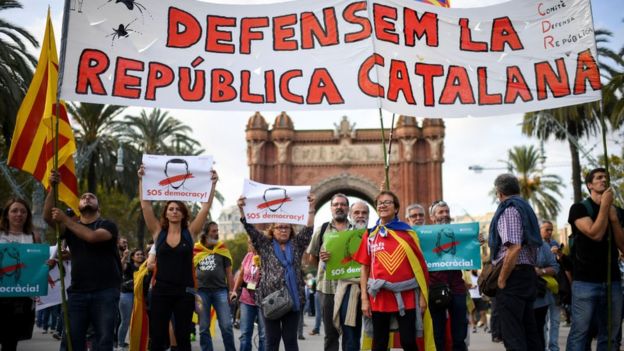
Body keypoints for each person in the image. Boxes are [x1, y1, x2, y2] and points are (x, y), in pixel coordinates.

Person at [138, 165, 218, 351]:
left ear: (183, 213)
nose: (174, 211)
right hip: (161, 291)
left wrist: (212, 184)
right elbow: (145, 205)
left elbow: (205, 207)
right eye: (171, 208)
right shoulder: (158, 233)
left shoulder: (191, 233)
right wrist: (142, 180)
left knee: (183, 337)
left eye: (178, 209)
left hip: (184, 292)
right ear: (165, 213)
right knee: (157, 337)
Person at [43, 171, 122, 351]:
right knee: (71, 341)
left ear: (98, 207)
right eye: (84, 197)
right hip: (77, 293)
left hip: (105, 292)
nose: (87, 198)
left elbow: (93, 237)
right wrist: (52, 189)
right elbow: (48, 217)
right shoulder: (71, 227)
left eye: (91, 197)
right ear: (78, 206)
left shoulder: (107, 225)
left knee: (102, 341)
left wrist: (66, 220)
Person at [355, 190, 435, 351]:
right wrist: (364, 298)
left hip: (407, 296)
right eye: (380, 203)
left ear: (396, 208)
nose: (383, 205)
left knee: (408, 342)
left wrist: (423, 298)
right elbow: (364, 268)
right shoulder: (370, 235)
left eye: (387, 202)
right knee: (379, 344)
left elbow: (420, 266)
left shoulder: (407, 233)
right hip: (379, 296)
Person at [238, 194, 315, 351]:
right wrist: (242, 209)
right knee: (271, 341)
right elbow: (250, 229)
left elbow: (308, 230)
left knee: (290, 340)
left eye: (286, 227)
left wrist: (311, 209)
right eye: (280, 227)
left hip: (293, 299)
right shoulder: (265, 245)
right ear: (273, 230)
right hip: (270, 300)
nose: (283, 230)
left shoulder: (297, 245)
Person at [566, 168, 624, 351]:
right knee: (580, 333)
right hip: (585, 282)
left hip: (612, 281)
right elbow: (595, 233)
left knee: (611, 335)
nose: (604, 180)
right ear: (589, 185)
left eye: (606, 177)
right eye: (599, 178)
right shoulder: (579, 209)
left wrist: (614, 220)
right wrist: (605, 206)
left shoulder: (618, 212)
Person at [488, 173, 542, 351]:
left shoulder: (509, 209)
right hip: (526, 274)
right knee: (529, 331)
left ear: (499, 192)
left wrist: (502, 279)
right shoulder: (526, 208)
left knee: (513, 334)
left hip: (514, 276)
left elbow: (514, 247)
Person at [306, 193, 351, 348]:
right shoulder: (322, 230)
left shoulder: (356, 231)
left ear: (348, 208)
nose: (339, 207)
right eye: (336, 204)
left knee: (350, 334)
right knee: (330, 335)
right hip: (327, 289)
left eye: (343, 204)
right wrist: (321, 257)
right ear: (331, 208)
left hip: (351, 288)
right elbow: (310, 259)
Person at [0, 198, 41, 351]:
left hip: (20, 299)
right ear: (6, 214)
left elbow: (37, 266)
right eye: (14, 210)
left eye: (23, 211)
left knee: (10, 342)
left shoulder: (33, 237)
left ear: (28, 215)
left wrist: (46, 265)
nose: (19, 214)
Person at [427, 200, 468, 351]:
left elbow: (469, 264)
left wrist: (475, 245)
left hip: (457, 288)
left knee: (459, 334)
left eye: (447, 212)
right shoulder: (425, 236)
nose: (445, 215)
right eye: (441, 212)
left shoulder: (459, 234)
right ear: (432, 217)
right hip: (435, 289)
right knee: (438, 333)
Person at [332, 201, 369, 351]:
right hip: (349, 289)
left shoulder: (376, 234)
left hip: (373, 288)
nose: (360, 216)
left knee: (378, 334)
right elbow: (330, 266)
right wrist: (326, 257)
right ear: (350, 215)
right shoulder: (341, 238)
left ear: (369, 215)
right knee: (350, 336)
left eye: (364, 213)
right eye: (357, 213)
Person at [194, 221, 236, 351]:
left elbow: (229, 273)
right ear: (206, 233)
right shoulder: (196, 250)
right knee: (203, 327)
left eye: (217, 230)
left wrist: (232, 291)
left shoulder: (222, 248)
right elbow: (190, 272)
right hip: (201, 292)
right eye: (213, 231)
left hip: (220, 291)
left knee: (226, 326)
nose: (217, 233)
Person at [233, 239, 265, 351]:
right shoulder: (248, 256)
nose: (251, 244)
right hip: (246, 299)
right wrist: (234, 290)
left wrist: (263, 271)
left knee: (264, 335)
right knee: (245, 334)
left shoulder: (267, 256)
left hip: (263, 301)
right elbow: (241, 274)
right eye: (249, 242)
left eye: (253, 241)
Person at [533, 239, 559, 351]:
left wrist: (540, 271)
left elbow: (555, 268)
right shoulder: (513, 243)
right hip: (518, 296)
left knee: (539, 330)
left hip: (539, 296)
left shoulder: (542, 245)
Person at [540, 221, 561, 351]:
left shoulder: (555, 244)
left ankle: (554, 347)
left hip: (555, 287)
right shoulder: (536, 245)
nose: (549, 232)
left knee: (555, 320)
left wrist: (558, 254)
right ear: (540, 229)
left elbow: (559, 266)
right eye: (547, 229)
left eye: (551, 230)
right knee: (543, 320)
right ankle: (544, 346)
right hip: (541, 288)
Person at [118, 248, 145, 348]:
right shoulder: (128, 265)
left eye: (141, 254)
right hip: (127, 295)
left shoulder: (144, 266)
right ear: (133, 257)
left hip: (140, 295)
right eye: (137, 254)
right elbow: (120, 267)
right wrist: (124, 256)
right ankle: (120, 344)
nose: (140, 256)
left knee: (138, 320)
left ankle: (135, 343)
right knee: (126, 320)